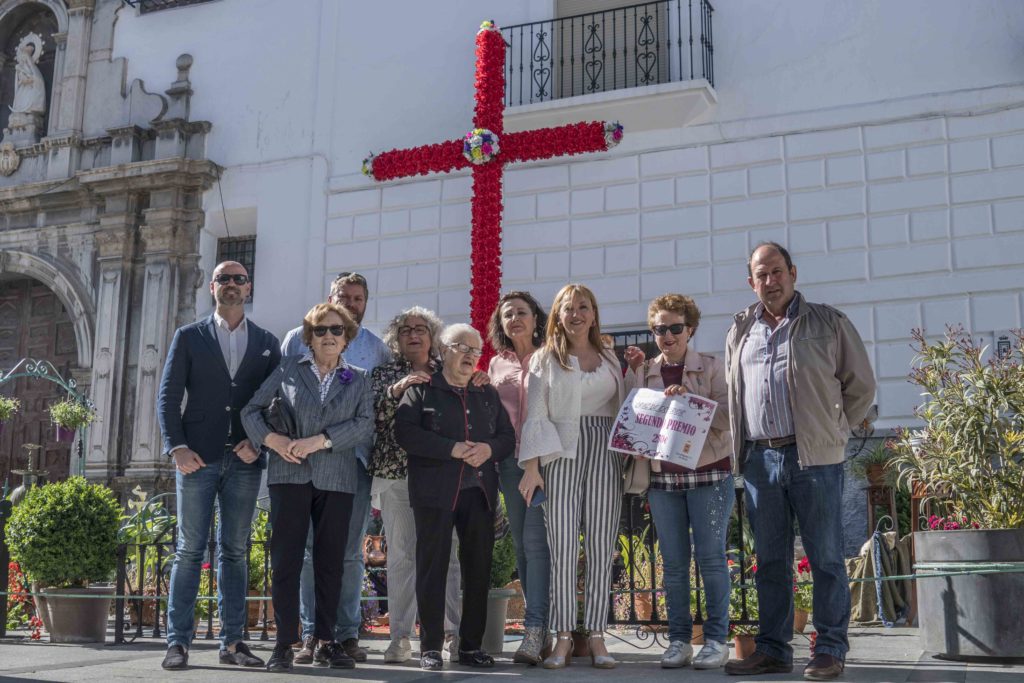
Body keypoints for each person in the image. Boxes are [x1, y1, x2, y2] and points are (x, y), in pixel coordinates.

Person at [723, 243, 875, 682]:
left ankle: (829, 649)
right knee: (770, 561)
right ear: (750, 282)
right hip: (759, 458)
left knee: (825, 557)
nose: (770, 281)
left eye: (777, 272)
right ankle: (772, 650)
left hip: (814, 458)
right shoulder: (740, 329)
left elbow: (860, 386)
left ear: (793, 273)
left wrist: (834, 430)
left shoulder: (827, 322)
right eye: (761, 275)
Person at [157, 261, 281, 671]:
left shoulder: (266, 342)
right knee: (189, 551)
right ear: (212, 287)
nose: (231, 284)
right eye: (223, 278)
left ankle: (233, 643)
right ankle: (178, 642)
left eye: (238, 279)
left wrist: (258, 443)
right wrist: (177, 448)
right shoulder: (189, 336)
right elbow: (168, 396)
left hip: (245, 460)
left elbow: (276, 403)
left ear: (248, 288)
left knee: (236, 552)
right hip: (196, 458)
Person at [241, 303, 374, 671]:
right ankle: (285, 643)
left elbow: (365, 425)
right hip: (289, 475)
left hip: (337, 478)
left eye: (336, 330)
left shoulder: (358, 378)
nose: (328, 336)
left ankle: (327, 641)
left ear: (347, 338)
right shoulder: (288, 369)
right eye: (320, 330)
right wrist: (272, 440)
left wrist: (322, 440)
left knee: (331, 563)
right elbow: (251, 411)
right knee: (286, 561)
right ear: (309, 337)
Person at [280, 272, 391, 663]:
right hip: (304, 462)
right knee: (310, 551)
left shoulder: (376, 349)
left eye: (358, 298)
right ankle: (312, 633)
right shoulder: (296, 339)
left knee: (348, 553)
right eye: (344, 296)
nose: (351, 304)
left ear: (365, 303)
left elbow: (377, 408)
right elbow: (281, 395)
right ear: (330, 299)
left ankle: (345, 634)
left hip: (353, 462)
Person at [395, 324, 516, 671]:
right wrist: (451, 448)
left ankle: (471, 646)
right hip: (434, 492)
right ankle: (431, 647)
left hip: (479, 492)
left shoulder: (486, 392)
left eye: (475, 351)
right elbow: (405, 433)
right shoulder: (421, 390)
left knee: (478, 569)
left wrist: (488, 449)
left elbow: (507, 437)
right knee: (431, 567)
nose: (470, 355)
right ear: (444, 350)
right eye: (462, 347)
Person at [622, 294, 733, 670]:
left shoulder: (712, 367)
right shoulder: (644, 370)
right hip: (663, 479)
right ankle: (679, 641)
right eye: (660, 329)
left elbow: (729, 417)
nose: (667, 335)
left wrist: (692, 400)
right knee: (672, 564)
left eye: (675, 328)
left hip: (710, 473)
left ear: (691, 329)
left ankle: (716, 641)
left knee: (712, 560)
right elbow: (630, 417)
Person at [519, 283, 626, 669]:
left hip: (605, 450)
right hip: (560, 452)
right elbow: (535, 413)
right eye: (568, 308)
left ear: (593, 314)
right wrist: (532, 467)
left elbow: (624, 405)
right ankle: (563, 637)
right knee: (562, 547)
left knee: (601, 545)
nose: (576, 314)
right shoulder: (545, 358)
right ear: (558, 316)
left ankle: (596, 635)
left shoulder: (609, 356)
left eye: (583, 307)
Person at [367, 306, 463, 663]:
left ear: (432, 335)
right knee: (402, 556)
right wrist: (396, 391)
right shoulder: (384, 374)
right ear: (397, 338)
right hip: (397, 474)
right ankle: (401, 637)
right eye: (405, 330)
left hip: (442, 475)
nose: (413, 334)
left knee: (447, 555)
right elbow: (373, 419)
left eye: (420, 328)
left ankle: (452, 634)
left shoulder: (448, 370)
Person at [486, 291, 552, 664]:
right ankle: (539, 628)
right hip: (511, 464)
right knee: (524, 546)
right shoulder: (497, 364)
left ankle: (538, 628)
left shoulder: (551, 356)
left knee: (538, 542)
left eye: (521, 312)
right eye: (508, 314)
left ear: (535, 318)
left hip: (547, 461)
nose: (515, 319)